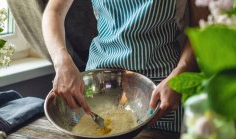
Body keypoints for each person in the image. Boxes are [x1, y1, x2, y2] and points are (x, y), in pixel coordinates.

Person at [42, 0, 208, 132]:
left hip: (162, 87)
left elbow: (201, 25)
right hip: (100, 86)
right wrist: (61, 61)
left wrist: (180, 73)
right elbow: (54, 11)